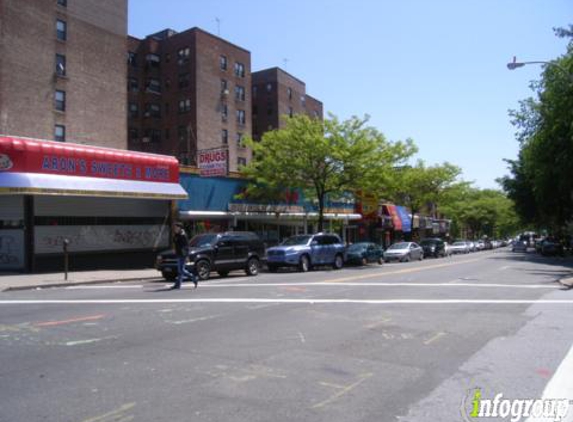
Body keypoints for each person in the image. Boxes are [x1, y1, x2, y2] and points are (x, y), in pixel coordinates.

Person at [171, 222, 197, 290]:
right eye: (175, 227)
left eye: (176, 227)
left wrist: (187, 256)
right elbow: (175, 242)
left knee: (181, 270)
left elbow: (186, 246)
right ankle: (178, 285)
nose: (175, 228)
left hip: (183, 255)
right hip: (178, 254)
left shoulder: (183, 235)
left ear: (180, 228)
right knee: (180, 271)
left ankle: (193, 277)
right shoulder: (177, 234)